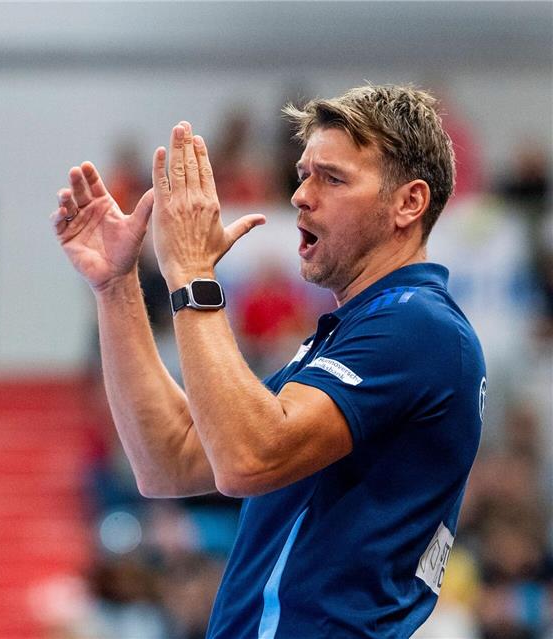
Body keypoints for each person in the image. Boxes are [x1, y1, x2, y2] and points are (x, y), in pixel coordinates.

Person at [50, 85, 485, 637]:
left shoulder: (417, 326)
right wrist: (116, 286)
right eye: (303, 173)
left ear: (409, 203)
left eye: (332, 177)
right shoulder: (351, 334)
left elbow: (246, 458)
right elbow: (169, 459)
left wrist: (192, 274)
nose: (301, 194)